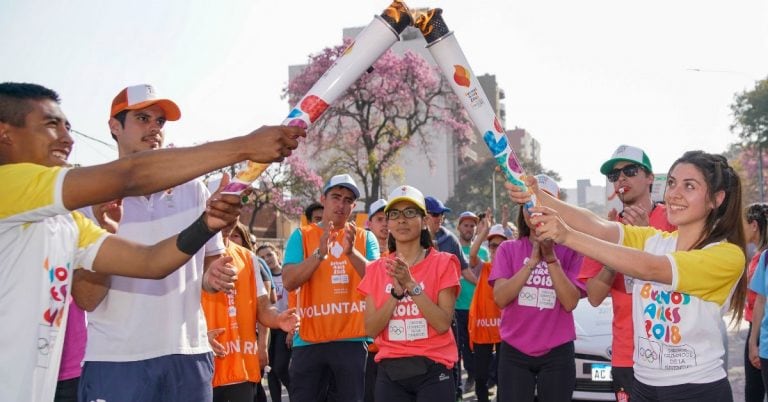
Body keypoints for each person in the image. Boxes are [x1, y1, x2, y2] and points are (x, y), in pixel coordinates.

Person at [0, 82, 302, 402]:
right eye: (51, 125)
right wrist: (245, 145)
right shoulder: (15, 188)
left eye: (68, 126)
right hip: (112, 361)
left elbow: (151, 263)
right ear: (5, 134)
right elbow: (130, 175)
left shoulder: (65, 218)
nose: (68, 139)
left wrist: (206, 224)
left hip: (46, 385)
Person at [509, 151, 747, 401]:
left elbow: (651, 268)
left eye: (690, 186)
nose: (675, 193)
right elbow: (598, 225)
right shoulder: (653, 239)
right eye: (673, 183)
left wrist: (567, 235)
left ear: (716, 199)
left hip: (696, 388)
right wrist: (539, 197)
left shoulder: (726, 255)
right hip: (643, 385)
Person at [578, 144, 676, 400]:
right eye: (614, 175)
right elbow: (594, 296)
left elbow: (683, 278)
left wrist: (646, 237)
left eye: (630, 171)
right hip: (627, 354)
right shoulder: (606, 231)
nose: (621, 178)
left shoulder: (674, 220)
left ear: (650, 177)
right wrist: (615, 253)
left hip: (673, 349)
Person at [282, 174, 380, 402]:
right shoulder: (301, 235)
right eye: (336, 197)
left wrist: (350, 252)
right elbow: (288, 281)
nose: (341, 204)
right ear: (323, 199)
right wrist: (319, 254)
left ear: (353, 206)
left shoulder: (365, 238)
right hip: (308, 341)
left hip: (352, 341)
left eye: (348, 200)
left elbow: (377, 281)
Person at [357, 185, 461, 401]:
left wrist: (411, 285)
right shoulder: (376, 269)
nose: (401, 220)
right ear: (388, 223)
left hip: (434, 368)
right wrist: (395, 294)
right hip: (391, 372)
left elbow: (443, 323)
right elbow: (371, 329)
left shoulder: (444, 263)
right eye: (394, 214)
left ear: (424, 221)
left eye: (410, 212)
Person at [489, 174, 584, 402]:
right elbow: (500, 298)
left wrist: (550, 258)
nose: (536, 210)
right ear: (523, 210)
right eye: (530, 202)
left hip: (557, 352)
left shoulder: (572, 250)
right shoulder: (508, 249)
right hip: (514, 351)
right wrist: (531, 263)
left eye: (545, 203)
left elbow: (570, 302)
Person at [202, 220, 298, 402]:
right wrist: (198, 336)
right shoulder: (189, 255)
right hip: (203, 368)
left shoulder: (248, 257)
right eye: (224, 209)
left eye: (235, 211)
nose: (229, 217)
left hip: (241, 368)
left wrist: (277, 319)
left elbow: (262, 306)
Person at [423, 195, 470, 399]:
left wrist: (488, 286)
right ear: (423, 216)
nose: (439, 218)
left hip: (446, 312)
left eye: (441, 214)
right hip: (417, 313)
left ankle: (456, 391)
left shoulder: (449, 239)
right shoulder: (408, 240)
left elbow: (465, 269)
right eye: (435, 214)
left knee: (453, 354)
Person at [467, 217, 505, 402]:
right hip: (483, 328)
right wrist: (484, 231)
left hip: (505, 330)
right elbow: (472, 255)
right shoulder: (483, 268)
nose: (495, 249)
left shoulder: (512, 269)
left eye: (499, 245)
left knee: (502, 375)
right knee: (481, 375)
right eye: (492, 245)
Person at [455, 210, 487, 392]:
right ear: (459, 226)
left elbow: (487, 275)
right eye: (465, 225)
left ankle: (477, 378)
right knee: (460, 349)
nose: (468, 229)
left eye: (472, 226)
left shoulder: (481, 251)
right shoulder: (452, 248)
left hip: (477, 307)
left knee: (476, 348)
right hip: (457, 307)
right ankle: (463, 381)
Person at [256, 243, 292, 402]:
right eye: (262, 257)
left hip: (285, 326)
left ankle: (297, 394)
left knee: (280, 367)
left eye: (269, 255)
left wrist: (292, 331)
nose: (267, 259)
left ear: (277, 254)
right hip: (267, 327)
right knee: (270, 370)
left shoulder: (288, 274)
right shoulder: (260, 277)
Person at [364, 198, 388, 402]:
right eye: (379, 219)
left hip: (395, 347)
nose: (386, 223)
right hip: (367, 347)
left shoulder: (403, 255)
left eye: (388, 218)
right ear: (369, 224)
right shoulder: (357, 255)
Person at [745, 203, 768, 401]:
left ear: (754, 225)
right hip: (757, 330)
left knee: (754, 391)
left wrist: (754, 340)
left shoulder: (762, 257)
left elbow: (760, 299)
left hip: (760, 330)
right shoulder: (761, 256)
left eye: (743, 223)